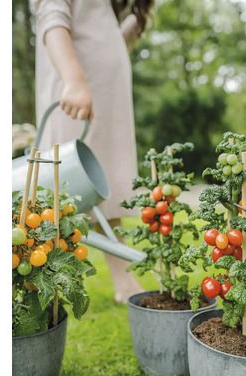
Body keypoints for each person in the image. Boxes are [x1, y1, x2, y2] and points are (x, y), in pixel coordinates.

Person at [32, 0, 155, 304]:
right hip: (74, 86)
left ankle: (123, 279)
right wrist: (74, 80)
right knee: (61, 185)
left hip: (104, 92)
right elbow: (52, 15)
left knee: (104, 182)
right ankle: (34, 278)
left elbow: (103, 32)